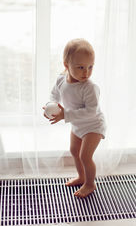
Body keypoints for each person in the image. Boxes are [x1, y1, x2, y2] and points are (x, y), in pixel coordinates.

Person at [43, 38, 106, 198]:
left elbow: (92, 111)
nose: (86, 72)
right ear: (66, 65)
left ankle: (90, 184)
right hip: (77, 124)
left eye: (90, 67)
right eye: (80, 67)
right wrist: (51, 105)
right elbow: (54, 94)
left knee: (85, 156)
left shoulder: (90, 88)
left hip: (93, 126)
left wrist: (66, 115)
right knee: (74, 151)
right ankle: (82, 177)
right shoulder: (61, 79)